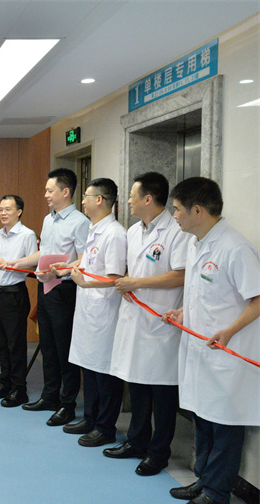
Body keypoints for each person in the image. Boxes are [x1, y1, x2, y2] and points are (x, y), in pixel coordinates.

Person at [163, 177, 260, 504]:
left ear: (198, 210)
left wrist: (230, 331)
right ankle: (204, 479)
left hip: (226, 356)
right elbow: (205, 294)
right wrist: (183, 311)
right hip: (200, 350)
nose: (174, 216)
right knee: (203, 418)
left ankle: (218, 492)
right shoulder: (197, 243)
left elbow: (257, 299)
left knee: (224, 424)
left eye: (177, 210)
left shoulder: (235, 248)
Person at [103, 172, 188, 477]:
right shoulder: (134, 231)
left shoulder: (176, 231)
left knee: (162, 391)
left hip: (161, 322)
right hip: (135, 319)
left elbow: (180, 274)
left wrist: (136, 283)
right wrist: (127, 283)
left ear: (148, 199)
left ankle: (159, 452)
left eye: (132, 195)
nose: (128, 201)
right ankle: (137, 441)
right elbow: (133, 268)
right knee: (137, 383)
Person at [7, 168, 88, 426]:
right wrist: (16, 262)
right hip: (45, 287)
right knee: (48, 346)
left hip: (65, 289)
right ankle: (49, 396)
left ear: (66, 192)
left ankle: (67, 404)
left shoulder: (80, 222)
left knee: (64, 349)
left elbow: (84, 260)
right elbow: (43, 253)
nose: (46, 195)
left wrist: (61, 270)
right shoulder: (48, 219)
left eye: (50, 191)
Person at [54, 178, 127, 447]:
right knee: (89, 368)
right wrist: (66, 267)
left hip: (104, 312)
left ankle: (105, 427)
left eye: (86, 196)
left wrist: (84, 283)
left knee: (104, 372)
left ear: (99, 200)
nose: (82, 200)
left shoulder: (115, 234)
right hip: (88, 310)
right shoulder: (95, 229)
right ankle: (90, 418)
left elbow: (115, 277)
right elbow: (88, 263)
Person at [0, 194, 38, 407]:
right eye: (0, 209)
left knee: (15, 344)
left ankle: (19, 388)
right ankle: (4, 383)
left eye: (8, 209)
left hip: (14, 294)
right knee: (1, 343)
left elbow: (33, 266)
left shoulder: (27, 234)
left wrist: (10, 263)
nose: (3, 213)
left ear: (19, 212)